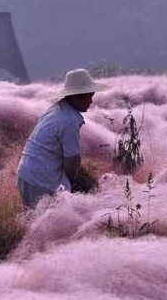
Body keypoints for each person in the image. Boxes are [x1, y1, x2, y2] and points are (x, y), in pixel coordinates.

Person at [16, 68, 107, 208]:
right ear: (77, 96)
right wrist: (70, 182)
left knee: (31, 220)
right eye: (89, 96)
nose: (91, 101)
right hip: (42, 181)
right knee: (47, 224)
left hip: (25, 173)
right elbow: (72, 160)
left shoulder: (54, 110)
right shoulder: (69, 121)